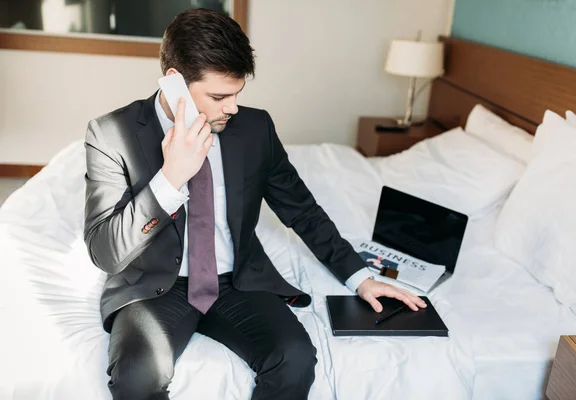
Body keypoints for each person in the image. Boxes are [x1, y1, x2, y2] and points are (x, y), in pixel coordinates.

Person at [83, 8, 426, 400]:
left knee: (295, 359)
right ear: (175, 82)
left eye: (237, 94)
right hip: (152, 287)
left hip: (237, 282)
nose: (232, 107)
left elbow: (302, 210)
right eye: (219, 96)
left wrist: (362, 278)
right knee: (137, 377)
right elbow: (105, 252)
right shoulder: (111, 133)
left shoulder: (255, 128)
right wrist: (170, 178)